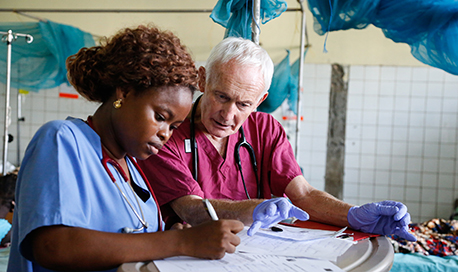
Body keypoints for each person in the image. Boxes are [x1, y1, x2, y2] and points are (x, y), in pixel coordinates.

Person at [7, 26, 245, 272]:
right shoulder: (63, 140)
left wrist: (174, 234)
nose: (165, 133)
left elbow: (138, 241)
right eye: (161, 116)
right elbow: (53, 246)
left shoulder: (134, 171)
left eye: (174, 126)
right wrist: (180, 242)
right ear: (125, 92)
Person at [138, 37, 417, 241]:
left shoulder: (265, 129)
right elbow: (190, 207)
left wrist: (354, 215)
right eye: (221, 96)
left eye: (243, 104)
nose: (228, 114)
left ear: (260, 101)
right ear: (202, 81)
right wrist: (257, 208)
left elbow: (303, 195)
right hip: (193, 254)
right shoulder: (168, 130)